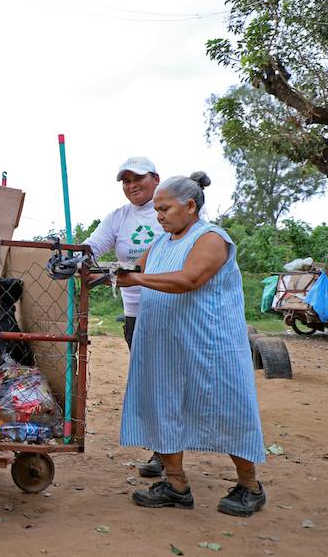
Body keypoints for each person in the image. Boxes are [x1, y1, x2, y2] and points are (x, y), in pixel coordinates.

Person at [117, 172, 266, 517]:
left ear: (190, 205)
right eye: (156, 210)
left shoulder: (211, 238)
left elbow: (191, 279)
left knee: (229, 409)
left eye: (165, 208)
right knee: (164, 405)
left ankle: (250, 486)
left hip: (210, 345)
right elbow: (130, 270)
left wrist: (134, 278)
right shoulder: (160, 243)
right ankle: (176, 485)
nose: (159, 216)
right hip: (165, 345)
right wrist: (94, 272)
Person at [84, 156, 164, 477]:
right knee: (149, 384)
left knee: (167, 382)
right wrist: (74, 258)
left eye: (138, 179)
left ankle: (169, 452)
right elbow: (92, 246)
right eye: (126, 181)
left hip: (171, 310)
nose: (132, 186)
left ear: (156, 179)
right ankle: (164, 451)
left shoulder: (169, 211)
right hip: (136, 315)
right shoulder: (118, 218)